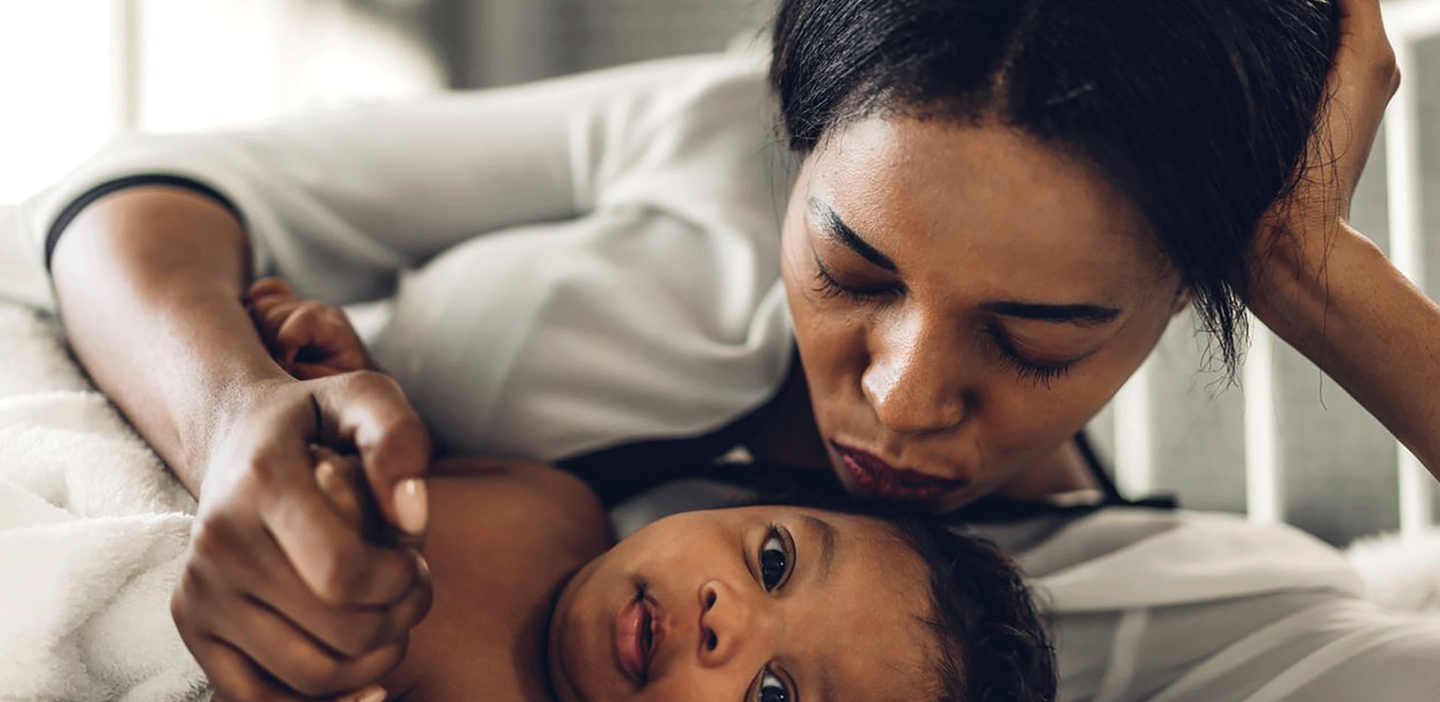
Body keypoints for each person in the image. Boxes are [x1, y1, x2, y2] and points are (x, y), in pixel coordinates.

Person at [6, 0, 1435, 698]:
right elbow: (152, 191)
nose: (898, 397)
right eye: (849, 265)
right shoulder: (711, 140)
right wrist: (235, 414)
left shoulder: (1182, 612)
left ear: (1190, 292)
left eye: (1033, 334)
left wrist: (1315, 277)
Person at [178, 279, 1055, 702]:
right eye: (775, 560)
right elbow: (408, 466)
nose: (726, 616)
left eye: (775, 698)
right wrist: (334, 369)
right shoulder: (555, 504)